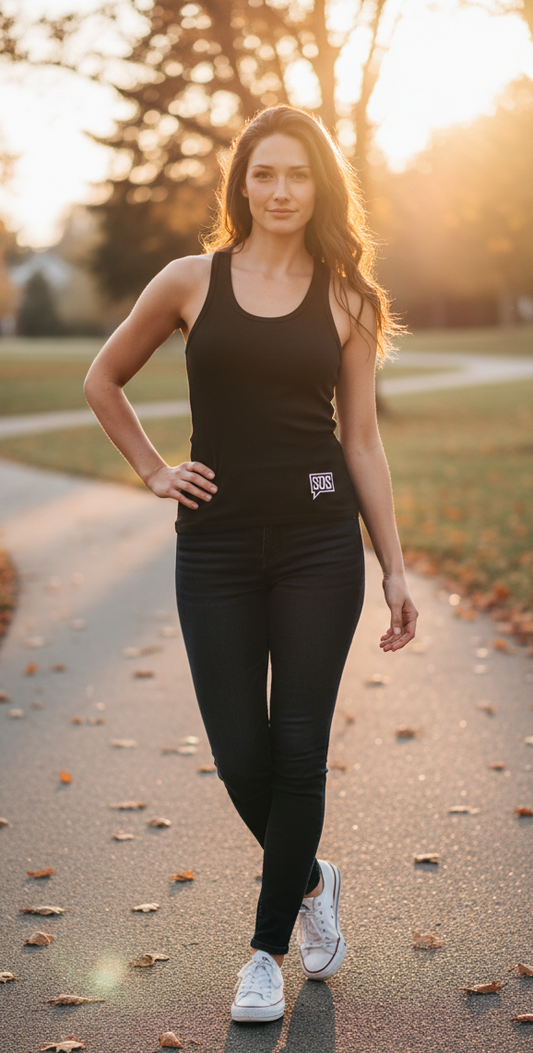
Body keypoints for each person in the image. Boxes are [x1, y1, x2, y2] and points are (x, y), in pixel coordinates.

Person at [84, 104, 419, 1024]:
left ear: (320, 188)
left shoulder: (348, 296)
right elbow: (101, 379)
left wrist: (391, 564)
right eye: (262, 174)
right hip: (217, 548)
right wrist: (154, 470)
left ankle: (267, 951)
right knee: (240, 751)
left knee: (300, 747)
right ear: (241, 185)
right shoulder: (190, 281)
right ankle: (312, 876)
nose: (278, 191)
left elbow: (360, 440)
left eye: (297, 175)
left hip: (319, 543)